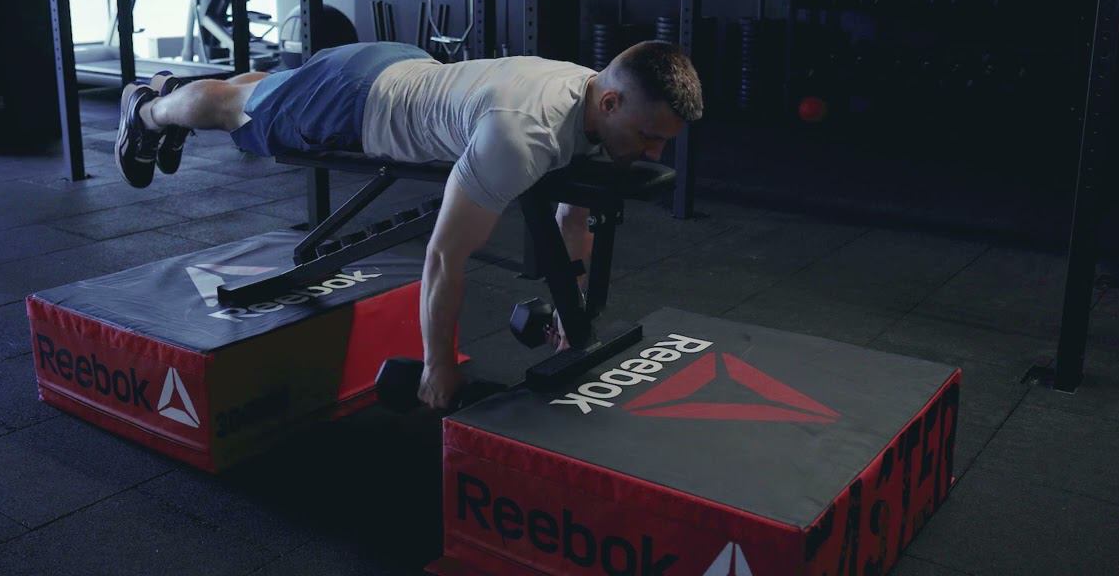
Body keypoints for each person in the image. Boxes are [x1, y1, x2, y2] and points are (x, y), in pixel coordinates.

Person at [116, 40, 703, 408]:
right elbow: (444, 255)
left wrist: (571, 312)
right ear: (611, 104)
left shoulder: (592, 87)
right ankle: (149, 109)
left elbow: (572, 214)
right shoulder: (521, 134)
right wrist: (438, 365)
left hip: (397, 64)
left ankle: (175, 90)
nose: (654, 154)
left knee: (266, 93)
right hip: (354, 102)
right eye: (649, 137)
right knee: (234, 111)